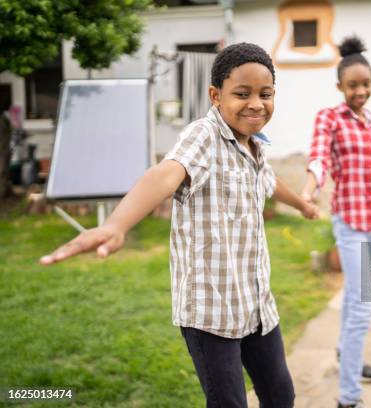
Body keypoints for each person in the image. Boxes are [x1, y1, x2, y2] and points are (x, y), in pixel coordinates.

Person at [40, 42, 319, 408]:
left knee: (281, 394)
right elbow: (165, 174)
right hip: (210, 312)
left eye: (265, 94)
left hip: (256, 305)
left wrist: (302, 204)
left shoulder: (255, 146)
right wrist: (117, 224)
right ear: (215, 96)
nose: (256, 104)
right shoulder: (203, 135)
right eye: (242, 93)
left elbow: (269, 181)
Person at [301, 36, 371, 408]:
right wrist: (309, 187)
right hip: (350, 224)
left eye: (366, 84)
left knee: (355, 300)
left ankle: (345, 354)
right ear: (340, 87)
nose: (361, 91)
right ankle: (349, 398)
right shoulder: (329, 118)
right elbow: (319, 157)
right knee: (363, 303)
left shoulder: (370, 121)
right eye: (353, 85)